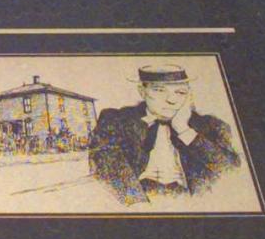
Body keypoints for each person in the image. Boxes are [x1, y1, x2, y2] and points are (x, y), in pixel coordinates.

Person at [89, 63, 240, 205]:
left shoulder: (211, 125)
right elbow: (106, 163)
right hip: (138, 199)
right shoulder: (116, 120)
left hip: (191, 202)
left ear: (189, 95)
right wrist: (137, 206)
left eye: (180, 92)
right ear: (142, 91)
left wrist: (184, 130)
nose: (171, 100)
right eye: (160, 90)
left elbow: (231, 171)